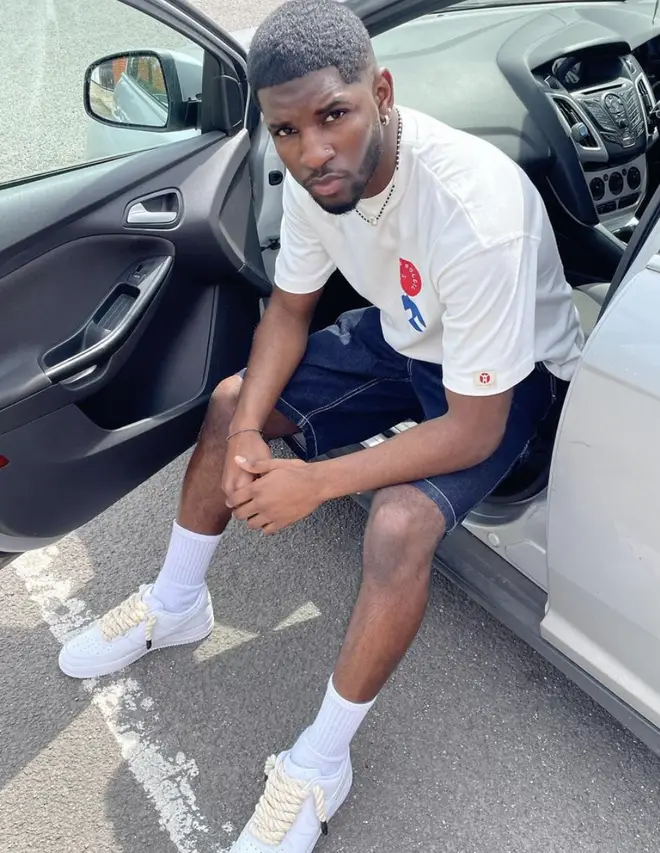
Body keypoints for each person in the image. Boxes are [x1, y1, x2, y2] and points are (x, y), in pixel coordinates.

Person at [58, 0, 584, 849]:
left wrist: (317, 481)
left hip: (513, 375)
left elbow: (476, 429)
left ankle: (319, 764)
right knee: (233, 402)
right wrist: (248, 438)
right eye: (288, 130)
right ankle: (176, 601)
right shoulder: (318, 181)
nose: (312, 152)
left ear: (380, 91)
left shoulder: (472, 211)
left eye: (333, 115)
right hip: (409, 331)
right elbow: (288, 315)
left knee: (400, 519)